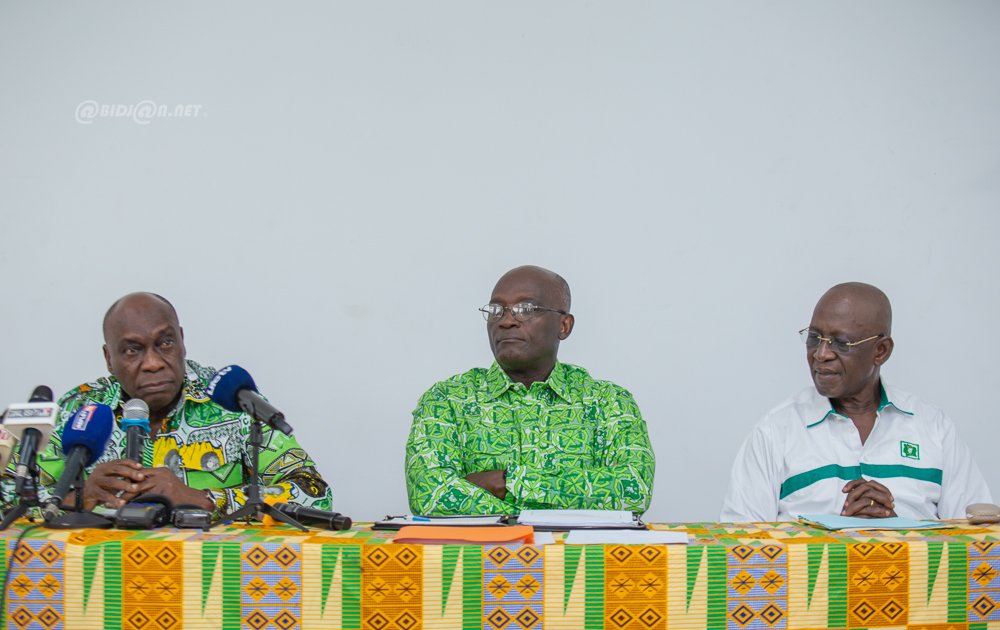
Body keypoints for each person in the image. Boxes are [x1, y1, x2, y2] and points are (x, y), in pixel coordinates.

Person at [33, 292, 332, 516]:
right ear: (109, 358)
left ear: (182, 341)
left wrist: (204, 499)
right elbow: (13, 495)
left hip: (212, 574)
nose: (152, 363)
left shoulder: (231, 401)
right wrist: (79, 498)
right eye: (132, 350)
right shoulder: (79, 410)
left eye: (165, 343)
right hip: (102, 575)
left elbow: (314, 493)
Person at [721, 282, 991, 522]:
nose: (821, 354)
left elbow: (979, 542)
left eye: (841, 343)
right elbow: (741, 548)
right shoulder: (775, 432)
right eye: (814, 338)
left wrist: (896, 531)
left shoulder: (934, 427)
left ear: (881, 351)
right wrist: (840, 536)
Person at [405, 265, 655, 515]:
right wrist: (562, 502)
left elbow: (634, 492)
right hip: (487, 545)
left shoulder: (608, 402)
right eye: (496, 310)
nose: (506, 321)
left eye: (525, 309)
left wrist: (506, 483)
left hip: (572, 545)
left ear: (564, 325)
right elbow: (429, 497)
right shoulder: (447, 400)